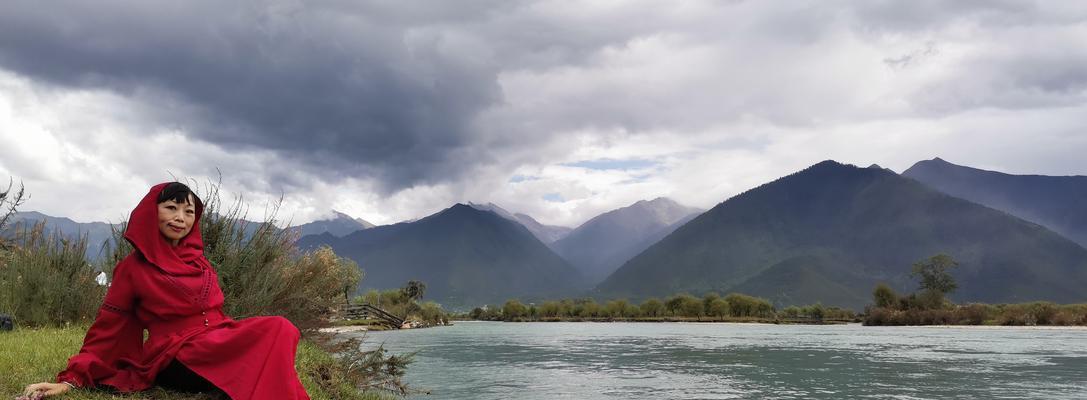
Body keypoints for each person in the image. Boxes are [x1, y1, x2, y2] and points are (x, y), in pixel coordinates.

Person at [23, 182, 310, 399]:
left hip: (216, 339)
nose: (181, 218)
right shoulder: (133, 268)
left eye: (188, 211)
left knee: (280, 327)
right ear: (152, 212)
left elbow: (215, 313)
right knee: (272, 337)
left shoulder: (200, 261)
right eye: (171, 208)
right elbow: (108, 327)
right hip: (176, 355)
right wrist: (71, 380)